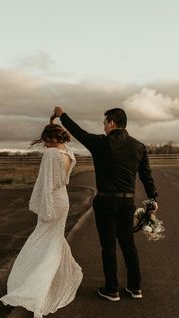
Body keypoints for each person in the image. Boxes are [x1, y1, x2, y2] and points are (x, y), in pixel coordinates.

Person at [52, 106, 158, 302]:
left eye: (104, 123)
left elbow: (78, 132)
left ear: (112, 123)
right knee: (128, 244)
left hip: (106, 201)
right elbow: (147, 177)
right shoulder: (139, 147)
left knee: (108, 245)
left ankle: (112, 289)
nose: (103, 127)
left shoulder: (100, 143)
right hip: (127, 202)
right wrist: (152, 200)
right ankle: (135, 288)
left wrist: (61, 115)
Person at [0, 123, 83, 318]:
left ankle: (37, 289)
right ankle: (54, 280)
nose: (44, 145)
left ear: (52, 139)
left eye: (45, 141)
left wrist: (44, 208)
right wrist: (54, 120)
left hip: (52, 201)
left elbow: (46, 184)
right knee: (53, 241)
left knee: (40, 241)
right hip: (63, 200)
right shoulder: (69, 153)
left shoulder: (51, 155)